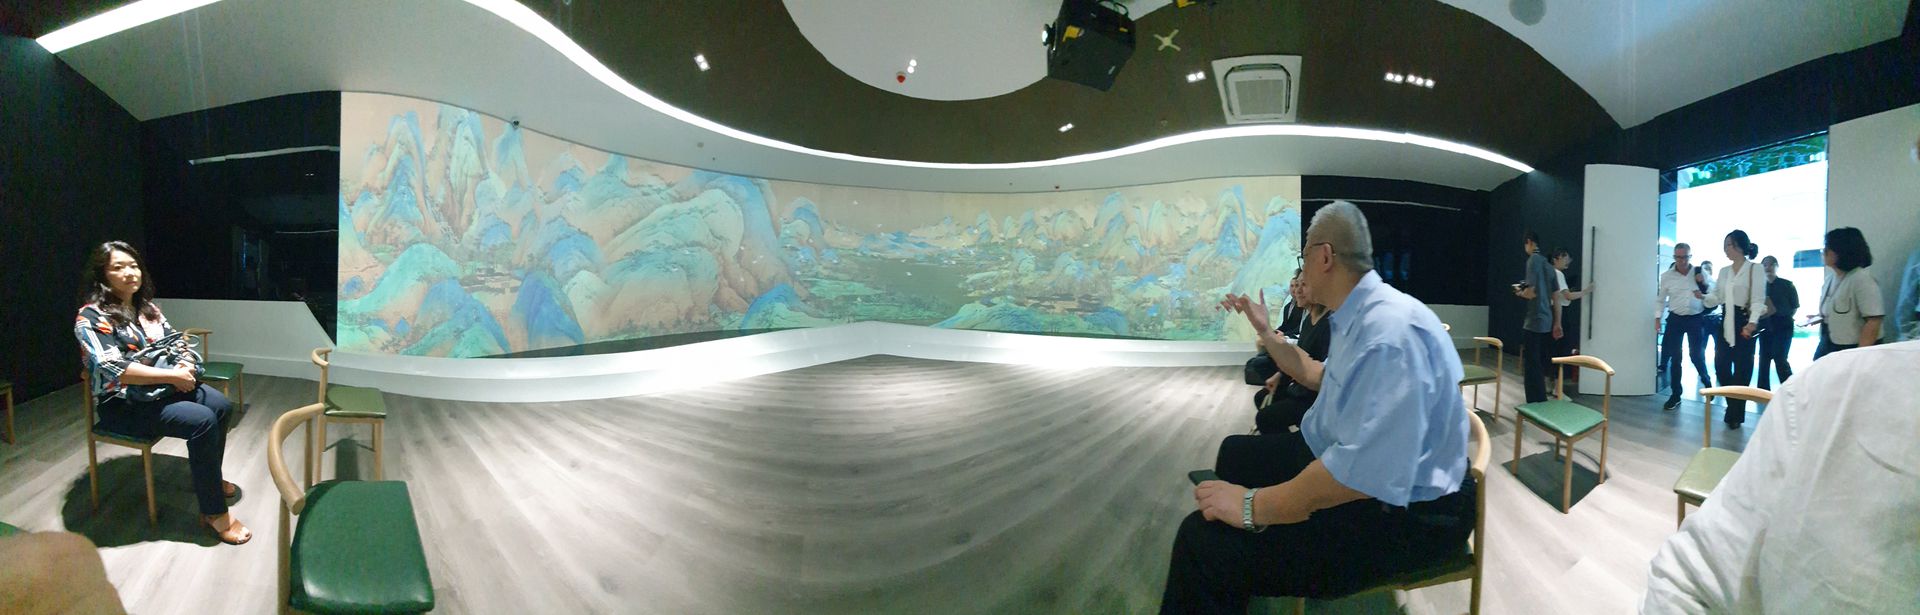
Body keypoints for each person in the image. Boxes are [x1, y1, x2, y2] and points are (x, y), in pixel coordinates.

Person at [1161, 202, 1472, 613]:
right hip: (1350, 464)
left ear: (1324, 256)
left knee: (1200, 540)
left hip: (1411, 517)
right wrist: (1265, 331)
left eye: (1302, 255)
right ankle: (1233, 583)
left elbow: (1358, 475)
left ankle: (1231, 564)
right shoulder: (1357, 313)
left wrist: (1253, 506)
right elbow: (1315, 373)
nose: (1301, 268)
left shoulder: (1387, 333)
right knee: (1234, 454)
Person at [1642, 340, 1920, 613]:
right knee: (1732, 364)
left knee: (1758, 364)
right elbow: (1692, 576)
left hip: (1752, 331)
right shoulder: (1833, 381)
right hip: (1743, 338)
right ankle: (1715, 402)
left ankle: (1733, 411)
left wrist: (1750, 322)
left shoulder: (1843, 384)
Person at [73, 241, 250, 544]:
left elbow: (176, 342)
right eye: (118, 267)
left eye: (133, 266)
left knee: (221, 405)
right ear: (102, 276)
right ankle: (214, 513)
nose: (130, 273)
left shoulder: (148, 309)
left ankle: (208, 478)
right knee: (202, 420)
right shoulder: (91, 317)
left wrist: (185, 364)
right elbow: (116, 368)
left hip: (161, 390)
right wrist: (173, 376)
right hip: (123, 403)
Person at [1244, 275, 1331, 434]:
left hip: (1312, 398)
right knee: (1261, 398)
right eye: (1296, 285)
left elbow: (1320, 373)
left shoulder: (1329, 324)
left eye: (1303, 285)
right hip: (1300, 388)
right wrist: (1280, 376)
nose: (1297, 291)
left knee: (1264, 417)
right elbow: (1300, 356)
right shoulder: (1309, 320)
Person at [1699, 231, 1769, 428]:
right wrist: (1702, 296)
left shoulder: (1755, 269)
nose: (1725, 249)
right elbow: (1717, 297)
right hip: (1726, 320)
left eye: (1728, 245)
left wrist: (1752, 323)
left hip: (1744, 321)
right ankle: (1734, 406)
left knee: (1742, 370)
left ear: (1739, 246)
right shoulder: (1724, 271)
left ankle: (1735, 415)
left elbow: (1758, 299)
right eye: (1725, 245)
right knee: (1721, 366)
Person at [1810, 227, 1884, 359]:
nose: (1824, 251)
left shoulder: (1862, 279)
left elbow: (1874, 321)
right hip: (1830, 341)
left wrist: (1858, 356)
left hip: (1853, 347)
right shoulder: (1830, 279)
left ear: (1842, 252)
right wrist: (1820, 316)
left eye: (1828, 248)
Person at [1655, 243, 1713, 411]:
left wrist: (1703, 285)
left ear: (1690, 256)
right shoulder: (1667, 276)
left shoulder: (1699, 272)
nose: (1682, 261)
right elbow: (1660, 299)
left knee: (1696, 355)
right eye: (1678, 257)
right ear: (1674, 257)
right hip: (1676, 319)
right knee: (1675, 358)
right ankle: (1675, 395)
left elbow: (1712, 292)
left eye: (1685, 257)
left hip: (1695, 318)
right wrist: (1657, 318)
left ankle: (1707, 381)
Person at [1512, 231, 1562, 403]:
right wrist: (1558, 323)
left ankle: (1535, 402)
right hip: (1547, 320)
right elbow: (1556, 297)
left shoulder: (1532, 260)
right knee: (1539, 363)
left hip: (1534, 319)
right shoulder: (1549, 266)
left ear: (1529, 242)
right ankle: (1541, 401)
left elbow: (1530, 292)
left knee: (1531, 365)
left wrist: (1518, 291)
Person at [1754, 255, 1798, 391]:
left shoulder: (1787, 285)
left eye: (1771, 264)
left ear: (1777, 266)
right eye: (1765, 265)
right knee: (1764, 359)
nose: (1768, 267)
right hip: (1765, 326)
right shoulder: (1759, 288)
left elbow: (1794, 307)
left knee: (1780, 358)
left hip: (1783, 326)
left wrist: (1782, 315)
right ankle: (1762, 391)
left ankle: (1790, 390)